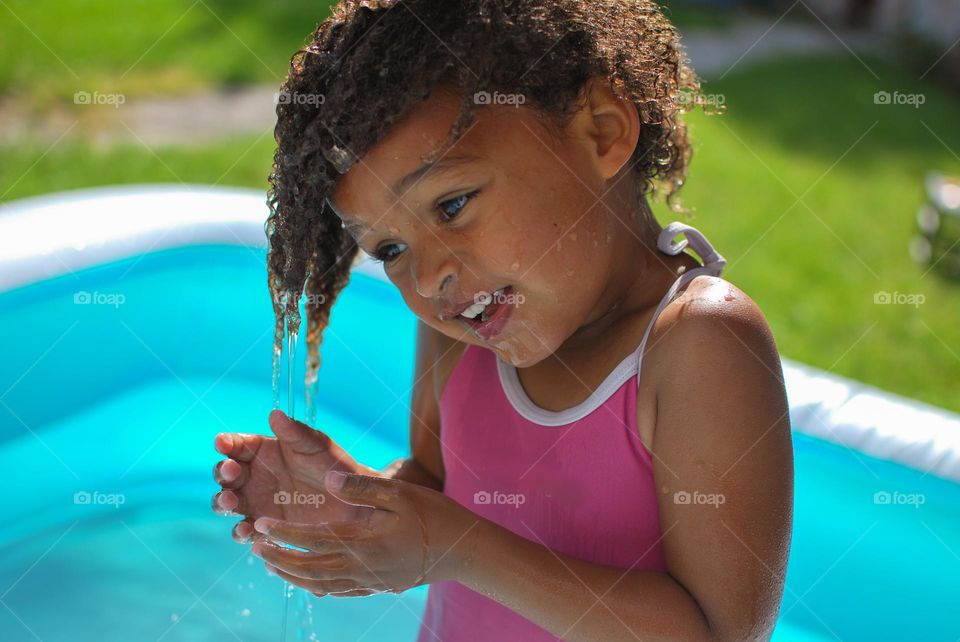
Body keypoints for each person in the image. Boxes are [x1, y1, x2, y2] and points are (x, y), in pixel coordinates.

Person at [212, 1, 794, 639]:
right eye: (391, 250)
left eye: (453, 204)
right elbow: (440, 488)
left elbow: (720, 632)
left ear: (601, 132)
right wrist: (357, 500)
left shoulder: (696, 344)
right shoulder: (461, 326)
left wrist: (462, 547)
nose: (430, 276)